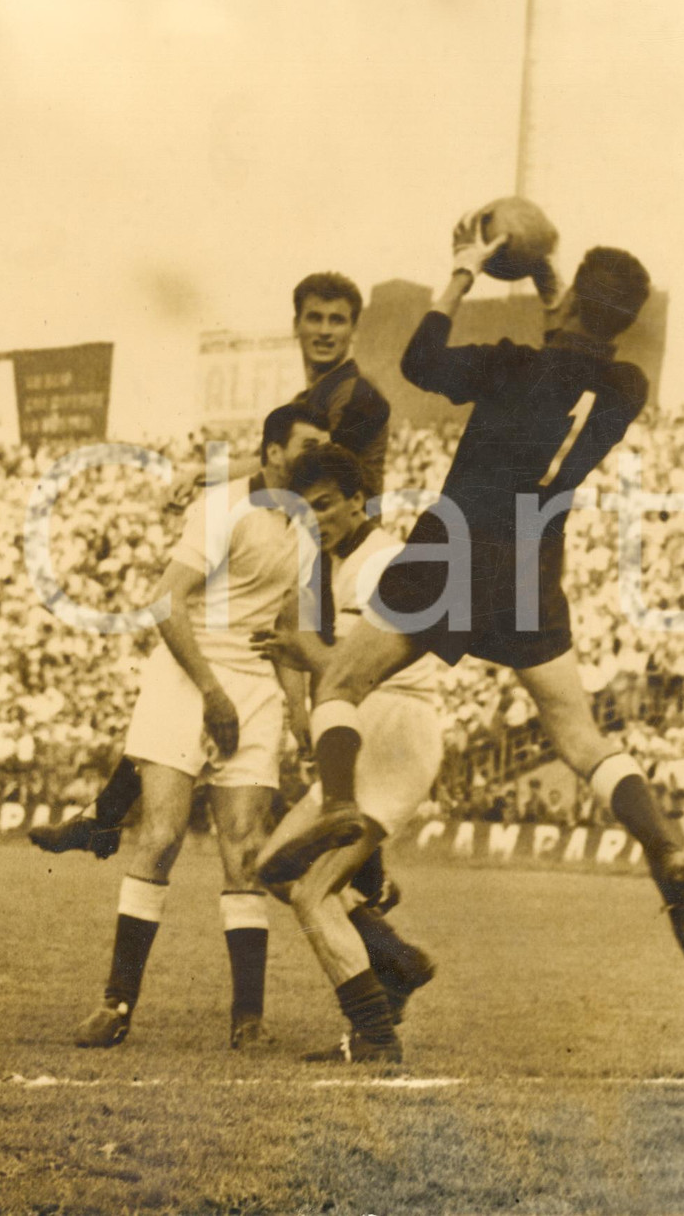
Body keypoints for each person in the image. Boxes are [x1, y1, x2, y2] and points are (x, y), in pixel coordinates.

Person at [259, 216, 684, 963]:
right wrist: (549, 283)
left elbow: (419, 359)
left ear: (568, 309)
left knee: (341, 680)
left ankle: (339, 805)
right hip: (535, 559)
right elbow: (575, 345)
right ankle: (666, 849)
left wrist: (465, 271)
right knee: (579, 735)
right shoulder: (625, 384)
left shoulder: (510, 363)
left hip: (458, 539)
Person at [30, 271, 391, 860]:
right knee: (224, 689)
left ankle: (367, 872)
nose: (325, 331)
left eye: (338, 320)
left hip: (337, 546)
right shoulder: (311, 396)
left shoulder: (352, 396)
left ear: (354, 329)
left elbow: (305, 469)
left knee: (328, 691)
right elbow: (281, 464)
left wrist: (211, 474)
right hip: (312, 536)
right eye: (315, 318)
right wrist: (211, 475)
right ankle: (103, 814)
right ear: (295, 324)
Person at [72, 402, 329, 1050]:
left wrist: (301, 717)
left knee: (245, 849)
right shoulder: (221, 508)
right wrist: (213, 693)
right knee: (160, 836)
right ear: (271, 453)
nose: (316, 456)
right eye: (305, 446)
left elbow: (290, 632)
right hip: (188, 677)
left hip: (254, 686)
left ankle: (249, 1021)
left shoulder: (308, 525)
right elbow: (165, 601)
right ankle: (116, 1005)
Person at [251, 445, 440, 1064]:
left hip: (393, 725)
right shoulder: (341, 563)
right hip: (376, 725)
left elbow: (349, 668)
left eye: (327, 504)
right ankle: (395, 959)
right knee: (276, 868)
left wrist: (298, 648)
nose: (316, 519)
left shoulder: (381, 562)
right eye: (304, 510)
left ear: (360, 500)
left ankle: (375, 1036)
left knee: (310, 893)